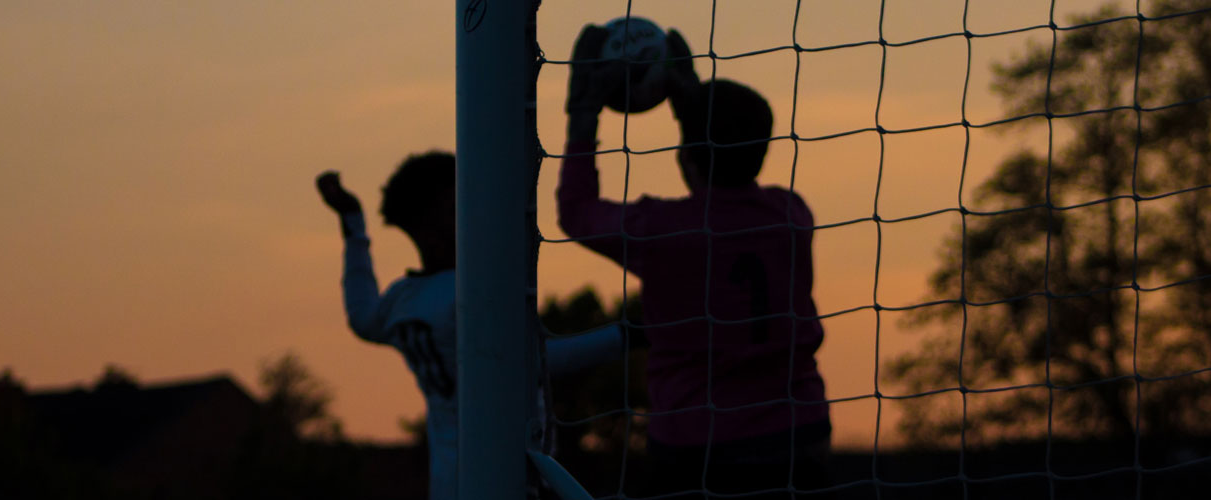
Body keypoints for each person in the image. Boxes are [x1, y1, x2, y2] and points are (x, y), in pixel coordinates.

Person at [557, 26, 833, 498]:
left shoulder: (662, 231)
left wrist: (582, 112)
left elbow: (576, 212)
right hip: (798, 434)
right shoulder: (791, 215)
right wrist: (692, 104)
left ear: (686, 154)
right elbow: (714, 180)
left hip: (699, 443)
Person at [315, 153, 621, 500]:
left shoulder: (404, 299)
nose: (474, 215)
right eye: (457, 207)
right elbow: (531, 363)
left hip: (450, 481)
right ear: (431, 227)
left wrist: (353, 226)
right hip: (507, 477)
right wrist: (627, 335)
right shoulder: (464, 295)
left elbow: (361, 315)